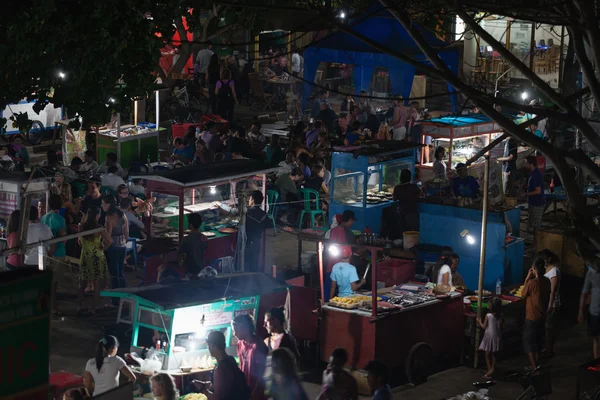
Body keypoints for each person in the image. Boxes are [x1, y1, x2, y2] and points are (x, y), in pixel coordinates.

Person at [214, 191, 267, 272]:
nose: (248, 200)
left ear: (252, 200)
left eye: (249, 198)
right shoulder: (263, 214)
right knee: (254, 266)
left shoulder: (247, 212)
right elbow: (267, 225)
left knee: (242, 266)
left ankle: (243, 280)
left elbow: (233, 211)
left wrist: (220, 205)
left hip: (247, 244)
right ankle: (254, 281)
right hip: (257, 243)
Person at [192, 331, 251, 400]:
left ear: (212, 346)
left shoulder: (220, 369)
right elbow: (220, 383)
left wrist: (202, 390)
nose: (208, 348)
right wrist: (204, 384)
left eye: (208, 345)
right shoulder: (230, 359)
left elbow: (217, 398)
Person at [78, 206, 111, 316]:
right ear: (97, 215)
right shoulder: (99, 228)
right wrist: (102, 248)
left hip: (85, 256)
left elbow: (79, 242)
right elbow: (110, 241)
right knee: (97, 284)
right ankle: (93, 309)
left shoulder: (81, 226)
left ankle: (79, 306)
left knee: (82, 283)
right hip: (97, 256)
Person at [521, 258, 551, 370]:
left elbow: (523, 295)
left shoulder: (532, 283)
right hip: (542, 315)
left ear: (534, 269)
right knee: (538, 341)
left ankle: (534, 367)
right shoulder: (547, 281)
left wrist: (527, 278)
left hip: (532, 317)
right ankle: (537, 363)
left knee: (529, 342)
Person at [232, 313, 268, 400]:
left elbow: (263, 373)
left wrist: (255, 395)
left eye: (236, 330)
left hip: (257, 392)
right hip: (245, 390)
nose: (234, 333)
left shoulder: (258, 345)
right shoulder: (240, 344)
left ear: (245, 328)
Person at [102, 195, 129, 306]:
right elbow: (127, 232)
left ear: (109, 204)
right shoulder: (122, 215)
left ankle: (115, 301)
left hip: (113, 248)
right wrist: (123, 241)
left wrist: (103, 248)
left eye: (103, 203)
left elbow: (108, 237)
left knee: (114, 274)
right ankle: (124, 297)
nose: (102, 205)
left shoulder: (109, 217)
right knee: (120, 273)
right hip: (122, 246)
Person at [380, 170, 420, 240]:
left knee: (403, 231)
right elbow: (420, 195)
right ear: (410, 177)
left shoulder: (398, 188)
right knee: (412, 231)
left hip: (402, 211)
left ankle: (403, 244)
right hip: (412, 211)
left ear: (400, 177)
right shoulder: (414, 187)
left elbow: (394, 199)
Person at [537, 249, 561, 356]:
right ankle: (547, 348)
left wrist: (550, 305)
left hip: (553, 303)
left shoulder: (554, 271)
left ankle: (549, 350)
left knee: (549, 328)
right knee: (545, 328)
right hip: (545, 302)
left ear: (548, 259)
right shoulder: (546, 269)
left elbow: (552, 291)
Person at [579, 259, 600, 359]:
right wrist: (581, 312)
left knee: (596, 339)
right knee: (595, 339)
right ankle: (597, 363)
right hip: (594, 312)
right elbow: (584, 293)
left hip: (594, 312)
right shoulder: (591, 273)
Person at [177, 213, 208, 279]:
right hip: (201, 266)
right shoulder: (204, 237)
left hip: (190, 269)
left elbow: (179, 253)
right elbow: (205, 247)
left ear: (190, 225)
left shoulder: (186, 239)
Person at [478, 297, 503, 379]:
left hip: (489, 337)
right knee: (494, 354)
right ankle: (491, 369)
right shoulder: (501, 316)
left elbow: (484, 327)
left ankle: (490, 370)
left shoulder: (488, 316)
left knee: (487, 354)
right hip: (497, 337)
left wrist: (479, 322)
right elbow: (501, 327)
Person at [526, 155, 545, 233]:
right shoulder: (533, 173)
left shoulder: (536, 175)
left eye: (526, 163)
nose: (524, 164)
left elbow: (538, 191)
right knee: (531, 224)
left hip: (537, 203)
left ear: (530, 164)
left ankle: (537, 243)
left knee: (536, 226)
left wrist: (526, 194)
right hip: (533, 202)